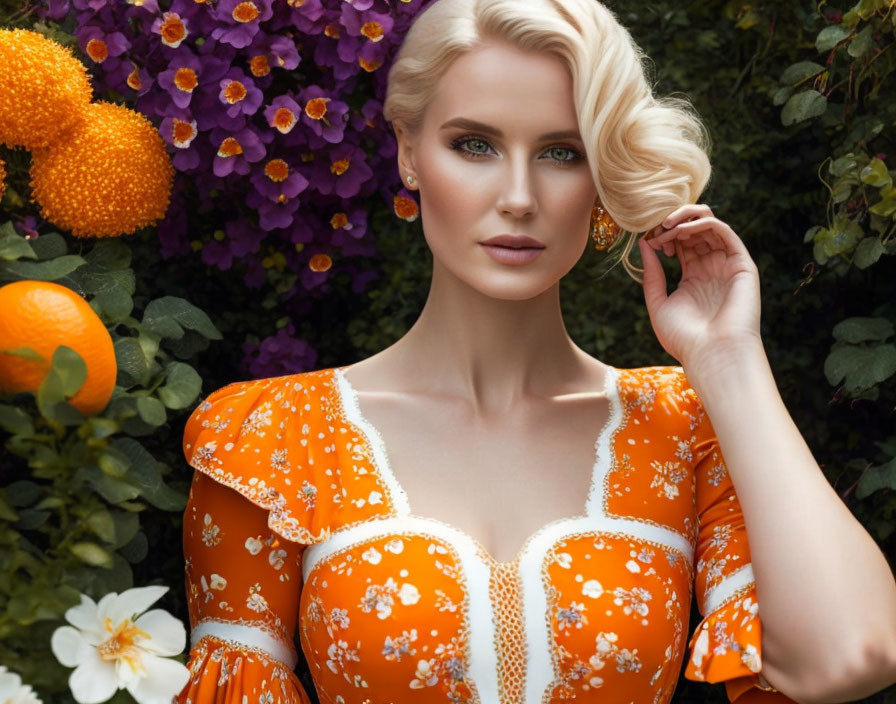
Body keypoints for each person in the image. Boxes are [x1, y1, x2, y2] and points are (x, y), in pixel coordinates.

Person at [175, 0, 896, 703]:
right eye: (474, 145)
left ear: (601, 178)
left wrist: (730, 363)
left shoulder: (686, 427)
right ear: (407, 152)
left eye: (561, 153)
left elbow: (854, 657)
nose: (518, 196)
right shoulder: (270, 441)